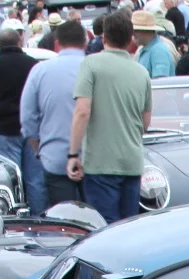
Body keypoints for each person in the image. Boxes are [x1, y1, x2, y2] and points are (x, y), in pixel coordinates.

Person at [68, 9, 153, 223]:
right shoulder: (141, 72)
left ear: (103, 37)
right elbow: (145, 122)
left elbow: (82, 111)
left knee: (103, 226)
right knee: (129, 225)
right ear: (130, 38)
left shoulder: (91, 64)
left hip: (101, 162)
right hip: (132, 161)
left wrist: (73, 154)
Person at [23, 16, 87, 211]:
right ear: (85, 42)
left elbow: (27, 117)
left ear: (57, 43)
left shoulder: (40, 71)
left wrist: (38, 147)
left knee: (64, 217)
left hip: (55, 156)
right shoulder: (95, 68)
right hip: (94, 157)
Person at [0, 27, 41, 208]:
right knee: (36, 180)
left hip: (3, 129)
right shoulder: (33, 65)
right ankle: (39, 216)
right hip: (32, 130)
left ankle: (12, 217)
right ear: (19, 43)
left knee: (7, 179)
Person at [133, 10, 178, 76]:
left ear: (146, 31)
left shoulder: (159, 51)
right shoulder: (148, 49)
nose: (133, 33)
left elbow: (160, 80)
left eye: (135, 30)